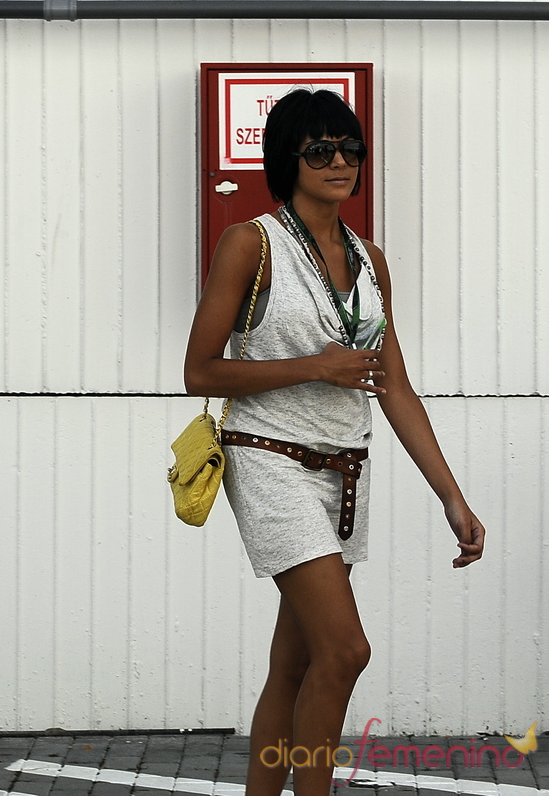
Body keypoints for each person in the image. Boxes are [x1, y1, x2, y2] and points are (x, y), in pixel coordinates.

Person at [183, 89, 484, 796]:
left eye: (350, 148)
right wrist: (316, 366)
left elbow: (394, 387)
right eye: (320, 150)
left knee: (295, 665)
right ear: (286, 160)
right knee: (346, 650)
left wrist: (451, 496)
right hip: (269, 459)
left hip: (344, 471)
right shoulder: (252, 243)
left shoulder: (369, 260)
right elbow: (199, 370)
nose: (339, 161)